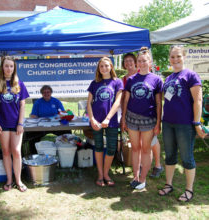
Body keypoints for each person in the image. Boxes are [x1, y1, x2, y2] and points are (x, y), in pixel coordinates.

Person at [158, 45, 206, 202]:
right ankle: (169, 184)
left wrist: (196, 123)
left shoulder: (191, 75)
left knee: (186, 157)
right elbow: (169, 99)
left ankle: (189, 190)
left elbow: (198, 101)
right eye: (172, 56)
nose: (175, 59)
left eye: (178, 56)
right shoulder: (170, 78)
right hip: (168, 123)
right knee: (170, 155)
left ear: (184, 57)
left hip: (185, 124)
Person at [121, 47, 163, 190]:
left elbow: (158, 103)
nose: (142, 63)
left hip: (149, 120)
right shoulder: (131, 79)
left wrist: (158, 122)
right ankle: (135, 176)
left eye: (144, 60)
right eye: (139, 61)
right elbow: (126, 100)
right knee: (135, 149)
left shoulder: (156, 80)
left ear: (149, 62)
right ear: (136, 63)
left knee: (146, 149)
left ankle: (143, 179)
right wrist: (124, 119)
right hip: (131, 118)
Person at [0, 56, 29, 192]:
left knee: (16, 151)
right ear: (2, 67)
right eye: (6, 66)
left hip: (16, 124)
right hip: (2, 123)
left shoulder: (19, 84)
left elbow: (22, 105)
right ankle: (9, 180)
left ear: (14, 68)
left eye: (11, 66)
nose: (9, 69)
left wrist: (20, 123)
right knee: (6, 152)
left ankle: (18, 180)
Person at [87, 57, 123, 187]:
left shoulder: (117, 82)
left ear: (111, 67)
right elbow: (89, 104)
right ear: (98, 68)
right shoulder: (94, 83)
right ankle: (100, 175)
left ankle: (107, 173)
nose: (104, 68)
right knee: (98, 146)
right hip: (96, 121)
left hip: (111, 121)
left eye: (106, 65)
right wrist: (92, 119)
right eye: (101, 66)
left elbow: (118, 102)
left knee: (112, 148)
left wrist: (108, 118)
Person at [25, 85, 69, 153]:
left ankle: (66, 152)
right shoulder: (38, 102)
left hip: (56, 125)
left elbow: (63, 113)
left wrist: (60, 116)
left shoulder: (56, 101)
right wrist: (36, 118)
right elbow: (33, 115)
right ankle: (34, 155)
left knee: (67, 132)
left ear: (51, 93)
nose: (46, 94)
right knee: (31, 136)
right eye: (44, 92)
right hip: (42, 126)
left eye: (48, 92)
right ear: (42, 94)